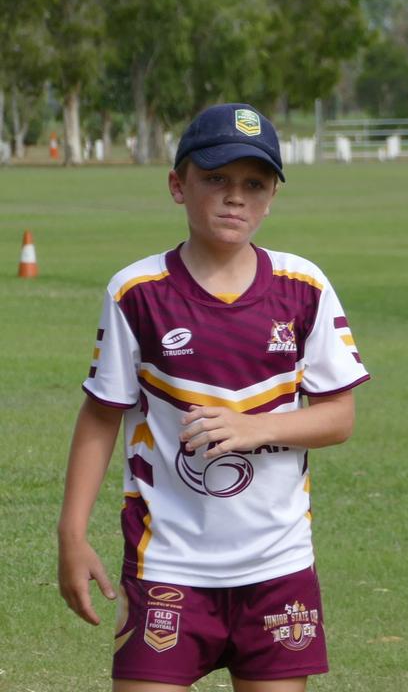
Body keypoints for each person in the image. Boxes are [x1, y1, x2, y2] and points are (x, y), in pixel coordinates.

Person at [56, 103, 370, 692]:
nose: (235, 198)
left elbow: (339, 418)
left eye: (254, 184)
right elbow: (101, 416)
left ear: (272, 195)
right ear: (178, 185)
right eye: (216, 179)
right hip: (166, 566)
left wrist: (254, 427)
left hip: (277, 567)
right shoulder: (137, 292)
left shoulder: (304, 287)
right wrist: (71, 536)